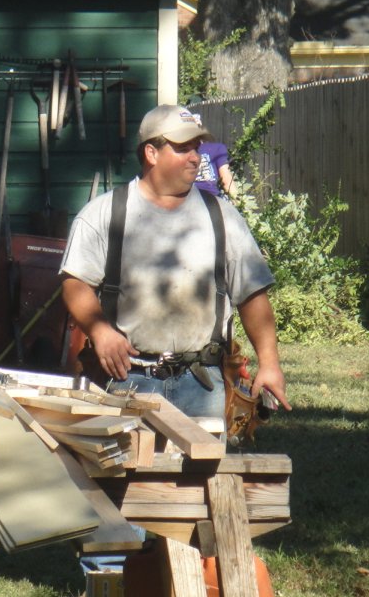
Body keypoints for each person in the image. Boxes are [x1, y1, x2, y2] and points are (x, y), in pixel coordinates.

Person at [60, 104, 291, 426]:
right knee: (128, 461)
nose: (195, 157)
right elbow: (75, 283)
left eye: (196, 147)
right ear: (151, 153)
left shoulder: (222, 217)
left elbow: (252, 294)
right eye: (183, 148)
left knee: (203, 461)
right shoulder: (104, 214)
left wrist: (269, 363)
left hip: (203, 384)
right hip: (127, 379)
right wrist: (100, 332)